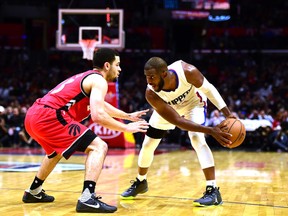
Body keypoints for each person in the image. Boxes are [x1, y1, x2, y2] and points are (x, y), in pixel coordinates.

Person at [22, 48, 149, 213]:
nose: (120, 69)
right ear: (106, 65)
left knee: (54, 152)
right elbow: (98, 116)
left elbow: (101, 105)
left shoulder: (88, 77)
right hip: (50, 116)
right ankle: (87, 197)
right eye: (117, 65)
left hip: (33, 116)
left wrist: (127, 115)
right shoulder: (99, 81)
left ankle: (34, 191)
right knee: (99, 147)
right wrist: (126, 128)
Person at [121, 57, 235, 206]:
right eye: (147, 77)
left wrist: (228, 114)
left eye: (152, 77)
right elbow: (177, 121)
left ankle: (213, 190)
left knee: (196, 138)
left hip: (194, 104)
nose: (149, 81)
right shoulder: (151, 93)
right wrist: (211, 130)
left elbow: (209, 89)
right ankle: (141, 182)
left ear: (164, 73)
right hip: (169, 109)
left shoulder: (187, 71)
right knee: (148, 144)